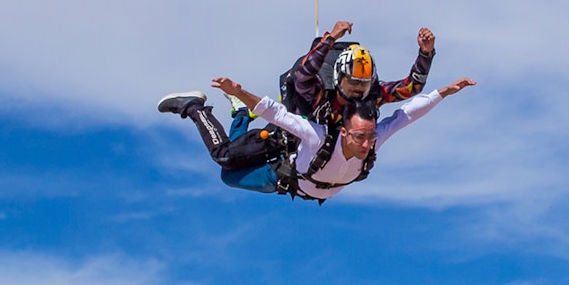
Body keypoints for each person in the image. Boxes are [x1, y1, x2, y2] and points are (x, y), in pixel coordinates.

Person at [156, 75, 475, 203]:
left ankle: (239, 113)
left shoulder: (374, 138)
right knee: (224, 159)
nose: (367, 144)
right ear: (345, 131)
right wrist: (239, 91)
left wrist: (443, 92)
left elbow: (406, 115)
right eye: (360, 137)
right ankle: (195, 107)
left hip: (291, 186)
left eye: (370, 136)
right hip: (281, 166)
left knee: (228, 175)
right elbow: (276, 113)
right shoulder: (319, 137)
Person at [282, 20, 437, 124]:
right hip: (302, 157)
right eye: (353, 81)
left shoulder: (373, 95)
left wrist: (425, 54)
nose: (358, 88)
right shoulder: (320, 93)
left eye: (364, 83)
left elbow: (412, 87)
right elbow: (303, 76)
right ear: (339, 77)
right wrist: (331, 38)